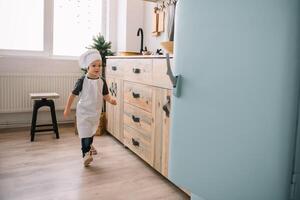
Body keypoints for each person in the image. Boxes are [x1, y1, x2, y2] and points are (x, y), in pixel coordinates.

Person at [64, 49, 117, 167]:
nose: (97, 68)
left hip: (95, 113)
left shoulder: (102, 81)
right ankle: (86, 154)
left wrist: (111, 100)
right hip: (83, 112)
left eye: (99, 65)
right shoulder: (82, 80)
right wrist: (67, 108)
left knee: (91, 131)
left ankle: (89, 145)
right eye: (94, 65)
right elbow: (72, 94)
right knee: (85, 132)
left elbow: (106, 95)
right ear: (88, 66)